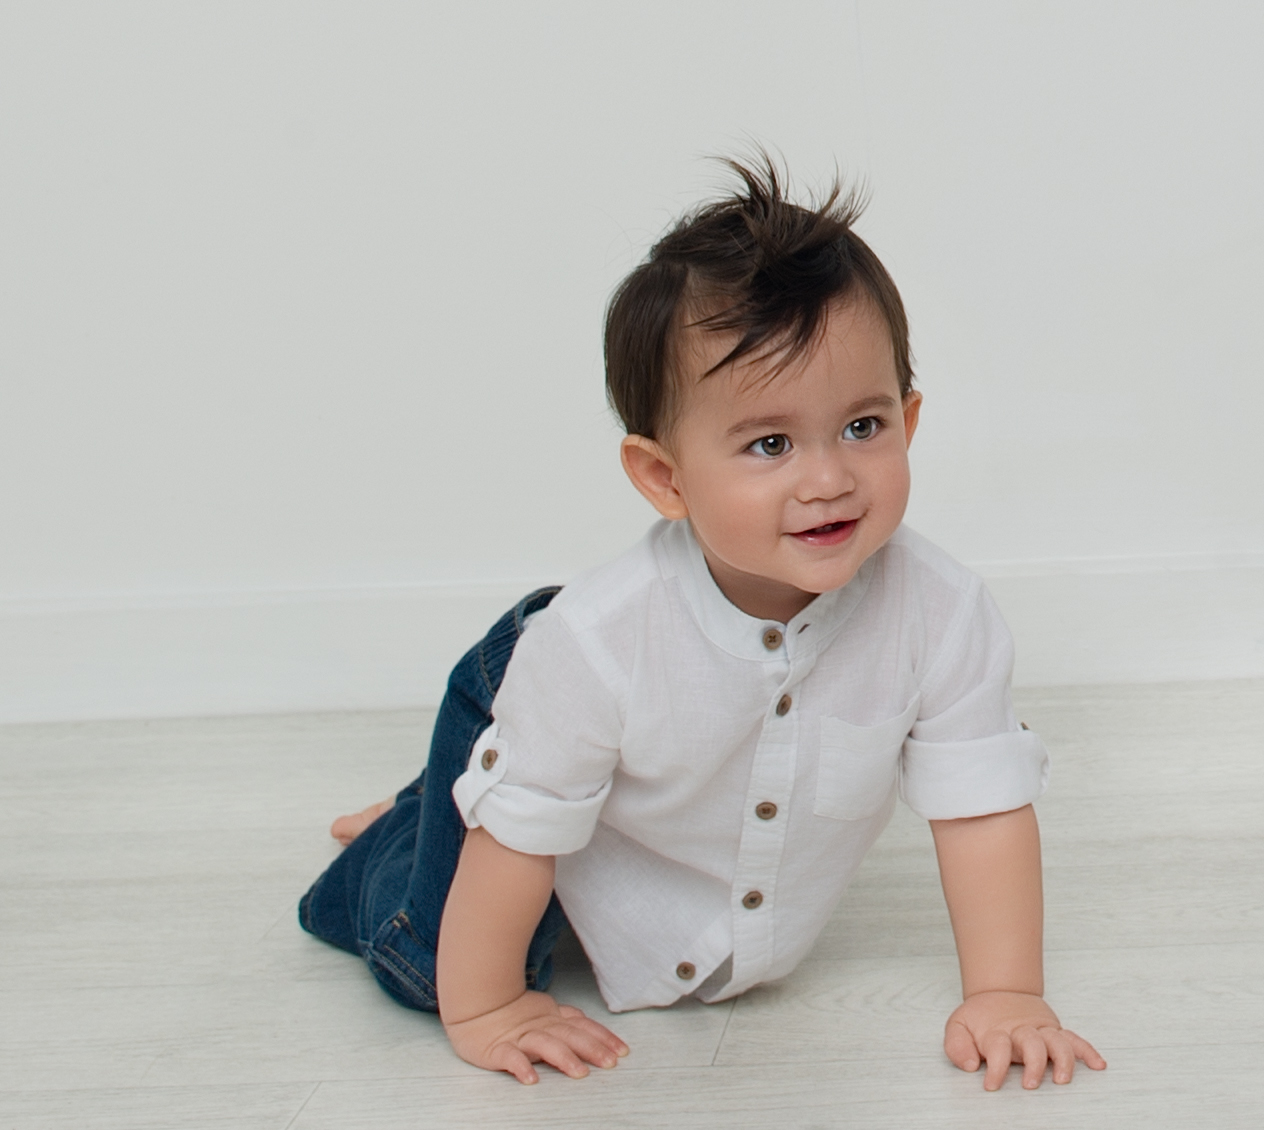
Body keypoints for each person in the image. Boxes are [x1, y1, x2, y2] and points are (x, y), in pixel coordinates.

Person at [299, 155, 1105, 1092]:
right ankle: (426, 817)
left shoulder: (942, 611)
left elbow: (981, 808)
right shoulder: (597, 644)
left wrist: (1005, 990)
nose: (827, 478)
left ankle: (444, 797)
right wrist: (486, 1007)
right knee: (429, 955)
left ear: (909, 419)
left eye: (861, 427)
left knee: (527, 801)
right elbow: (518, 853)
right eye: (769, 443)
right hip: (523, 686)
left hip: (594, 746)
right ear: (664, 479)